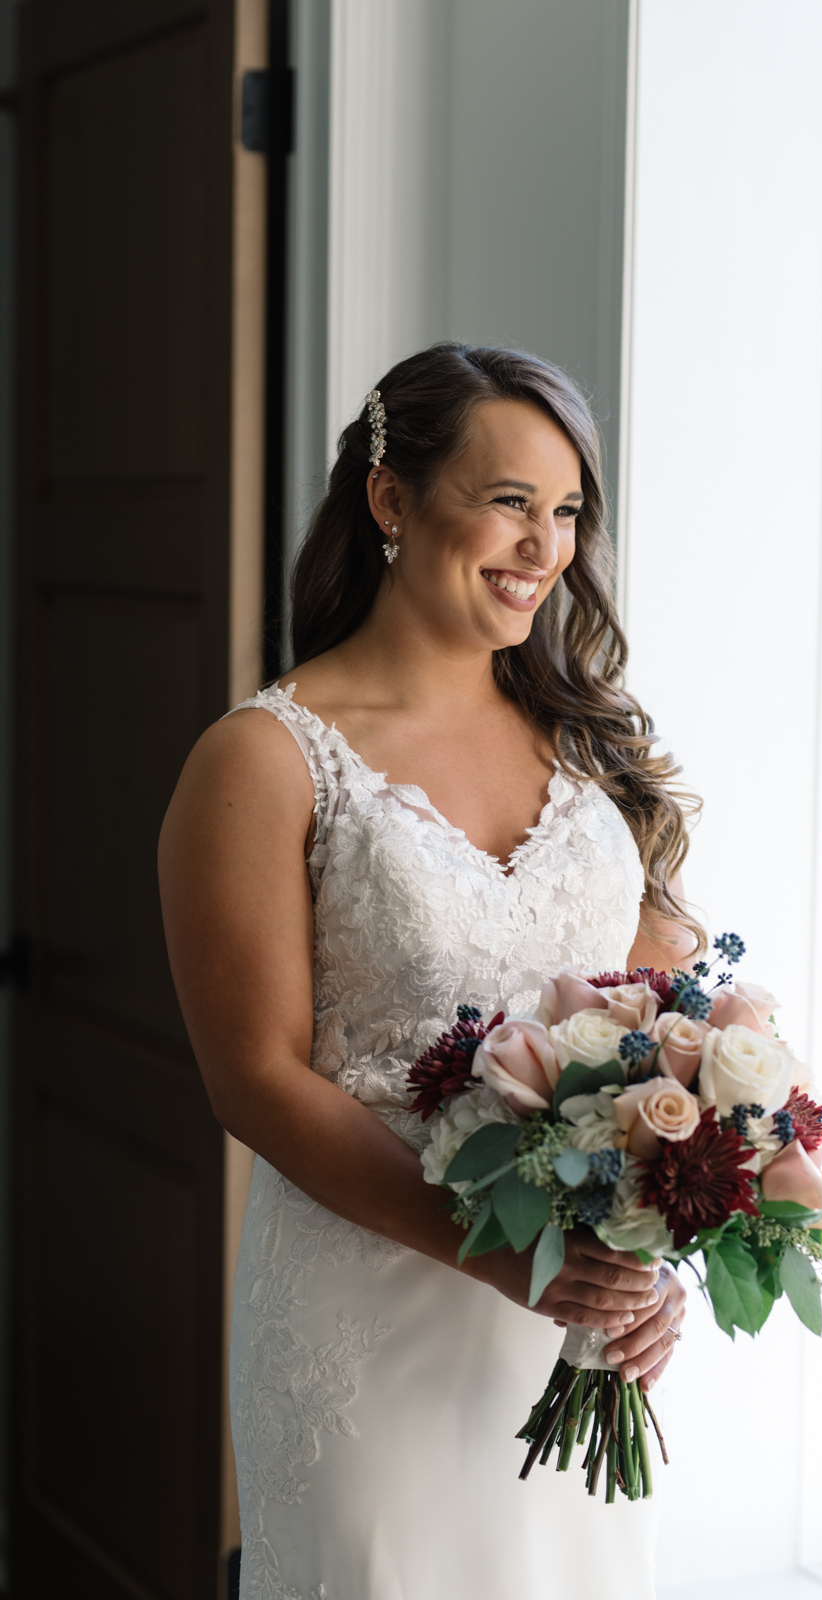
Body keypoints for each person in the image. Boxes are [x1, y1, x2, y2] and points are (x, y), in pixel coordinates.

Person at [159, 343, 700, 1600]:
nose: (543, 546)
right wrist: (515, 1262)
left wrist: (650, 1257)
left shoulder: (590, 745)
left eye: (566, 512)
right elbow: (254, 1081)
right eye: (509, 500)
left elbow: (660, 1030)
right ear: (392, 499)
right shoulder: (266, 758)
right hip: (371, 1328)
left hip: (573, 1334)